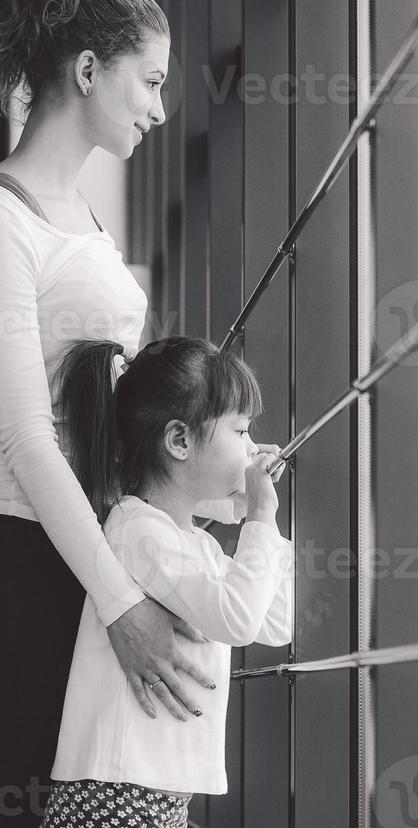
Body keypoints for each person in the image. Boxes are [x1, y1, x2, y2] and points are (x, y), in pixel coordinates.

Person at [0, 0, 285, 825]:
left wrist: (205, 479)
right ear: (88, 69)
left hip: (84, 551)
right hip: (33, 559)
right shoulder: (8, 222)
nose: (162, 108)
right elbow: (24, 438)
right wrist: (123, 602)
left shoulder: (77, 216)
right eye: (152, 80)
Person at [38, 336, 292, 827]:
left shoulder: (195, 542)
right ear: (179, 441)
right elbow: (238, 622)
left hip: (155, 793)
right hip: (115, 793)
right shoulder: (139, 531)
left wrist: (266, 523)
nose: (250, 446)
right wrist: (259, 512)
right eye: (240, 431)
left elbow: (274, 624)